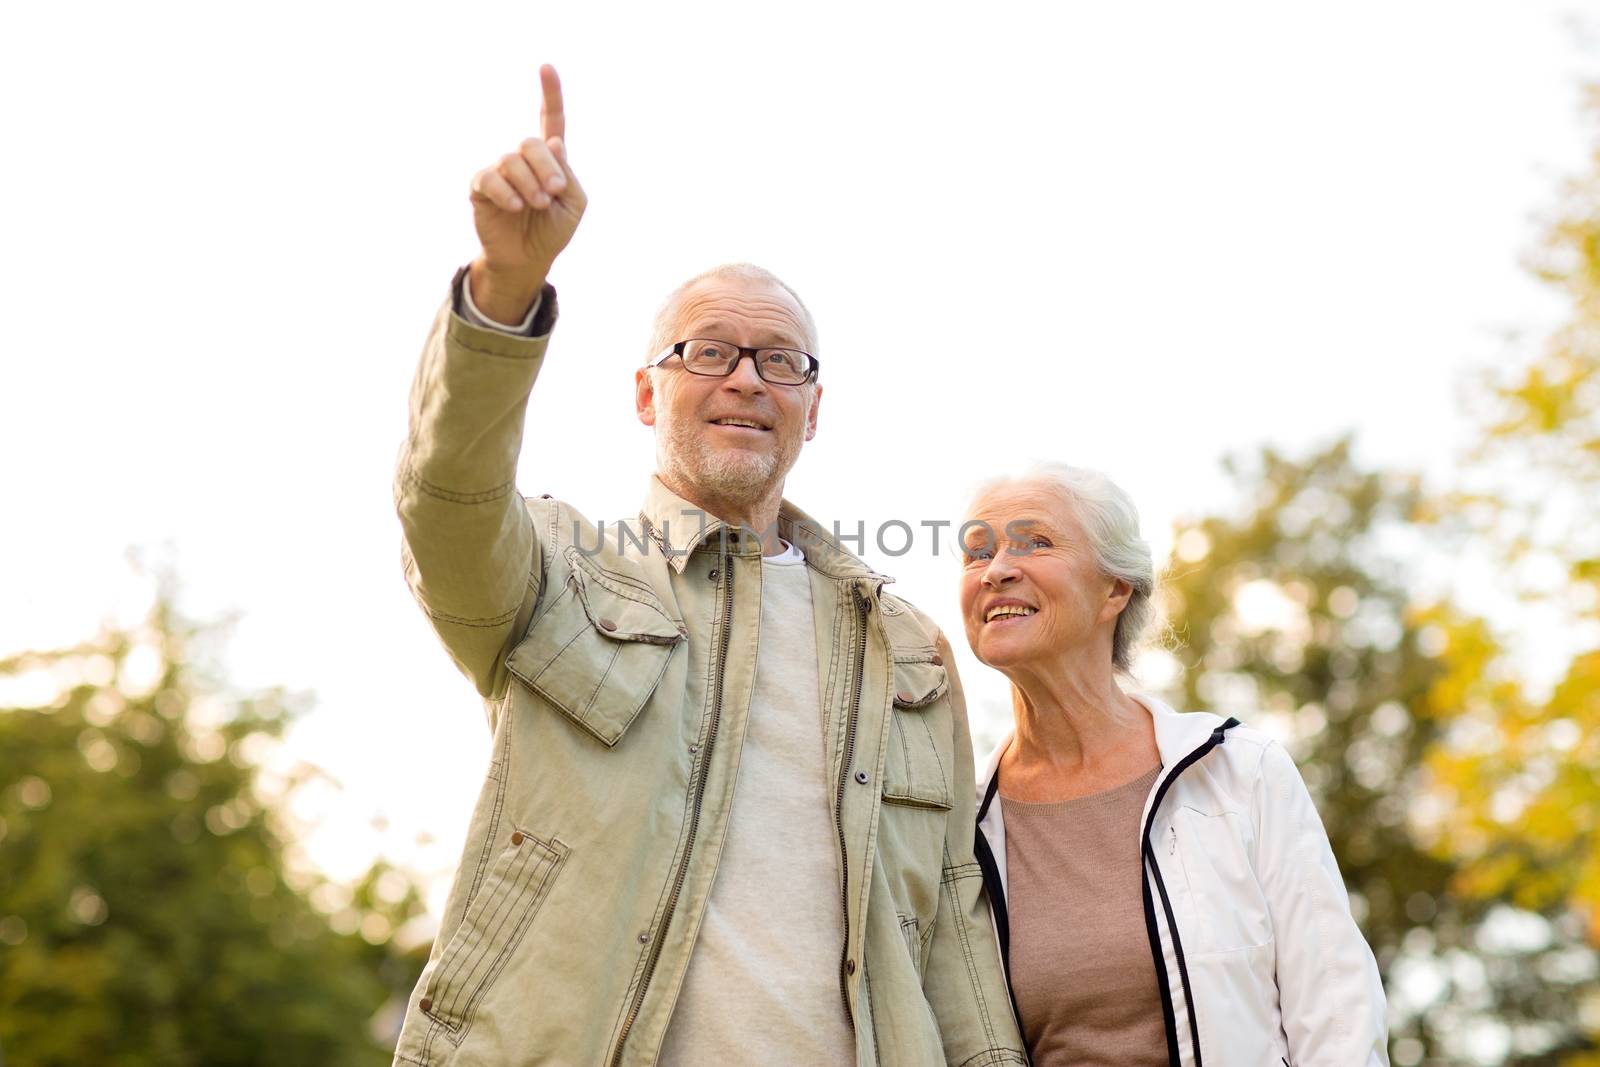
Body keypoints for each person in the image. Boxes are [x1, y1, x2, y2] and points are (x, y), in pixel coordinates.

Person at [390, 64, 1025, 1067]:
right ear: (646, 393)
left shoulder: (906, 652)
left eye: (781, 360)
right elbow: (444, 503)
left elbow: (952, 928)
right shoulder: (562, 570)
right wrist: (505, 287)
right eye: (708, 352)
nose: (746, 378)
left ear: (813, 410)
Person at [958, 464, 1389, 1067]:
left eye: (1036, 542)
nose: (997, 569)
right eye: (976, 553)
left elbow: (1338, 1018)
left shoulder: (1240, 772)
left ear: (1115, 589)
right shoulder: (961, 826)